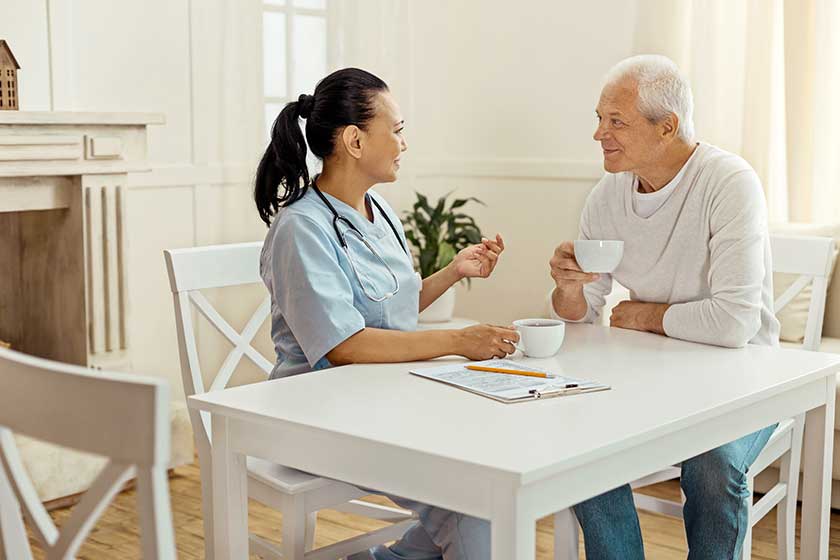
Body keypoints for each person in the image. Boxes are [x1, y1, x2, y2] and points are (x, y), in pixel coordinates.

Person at [256, 67, 516, 560]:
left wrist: (453, 272)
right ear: (354, 141)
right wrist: (459, 341)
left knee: (490, 475)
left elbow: (388, 309)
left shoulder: (379, 210)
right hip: (317, 416)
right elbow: (346, 346)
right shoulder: (300, 229)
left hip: (386, 397)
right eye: (396, 131)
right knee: (471, 499)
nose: (403, 143)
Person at [547, 55, 781, 559]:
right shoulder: (606, 196)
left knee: (712, 461)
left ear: (666, 127)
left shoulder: (728, 182)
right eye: (598, 119)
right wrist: (568, 287)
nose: (598, 134)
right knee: (578, 444)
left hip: (747, 378)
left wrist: (643, 314)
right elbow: (583, 314)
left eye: (616, 122)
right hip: (652, 375)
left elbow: (735, 323)